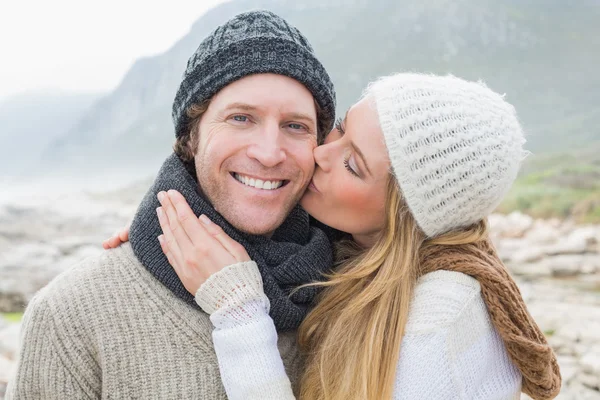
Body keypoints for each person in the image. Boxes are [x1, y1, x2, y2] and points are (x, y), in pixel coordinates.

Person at [107, 73, 562, 399]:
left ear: (402, 214)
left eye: (352, 164)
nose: (321, 154)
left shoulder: (438, 320)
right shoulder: (358, 248)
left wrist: (238, 310)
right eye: (340, 130)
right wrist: (170, 226)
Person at [6, 10, 336, 399]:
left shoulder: (359, 287)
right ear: (191, 137)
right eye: (241, 118)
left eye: (295, 126)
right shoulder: (72, 313)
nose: (268, 153)